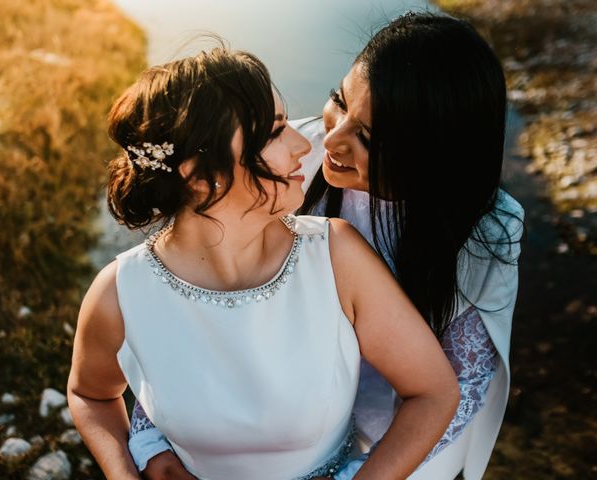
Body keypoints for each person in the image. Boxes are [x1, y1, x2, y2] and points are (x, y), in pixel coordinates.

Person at [130, 12, 524, 480]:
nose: (332, 138)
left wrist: (358, 473)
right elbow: (192, 281)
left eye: (369, 137)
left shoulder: (486, 231)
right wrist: (153, 427)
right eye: (339, 100)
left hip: (404, 439)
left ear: (432, 158)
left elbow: (462, 380)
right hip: (273, 418)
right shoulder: (290, 155)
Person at [67, 47, 459, 480]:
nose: (302, 144)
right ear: (199, 176)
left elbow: (434, 393)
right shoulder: (118, 294)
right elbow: (91, 394)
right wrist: (125, 471)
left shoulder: (336, 257)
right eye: (274, 133)